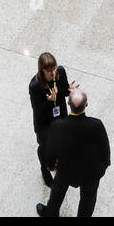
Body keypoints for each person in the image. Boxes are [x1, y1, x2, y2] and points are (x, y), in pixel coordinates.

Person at [36, 87, 111, 218]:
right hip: (90, 173)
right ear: (86, 104)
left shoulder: (57, 126)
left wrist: (51, 166)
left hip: (65, 171)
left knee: (56, 195)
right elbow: (105, 149)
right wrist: (103, 167)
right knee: (88, 198)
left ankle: (50, 214)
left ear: (68, 104)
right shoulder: (96, 125)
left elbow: (51, 150)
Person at [28, 52, 74, 187]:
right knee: (46, 149)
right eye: (49, 70)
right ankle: (45, 168)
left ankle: (58, 163)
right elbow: (37, 110)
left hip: (60, 117)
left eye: (54, 68)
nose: (53, 73)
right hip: (45, 123)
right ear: (41, 70)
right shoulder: (35, 86)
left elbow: (64, 91)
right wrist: (49, 101)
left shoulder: (60, 72)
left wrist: (70, 91)